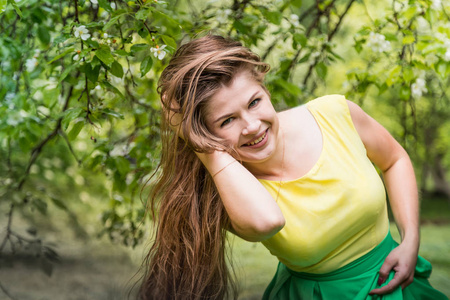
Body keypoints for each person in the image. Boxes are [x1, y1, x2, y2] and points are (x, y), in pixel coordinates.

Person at [138, 35, 448, 300]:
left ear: (265, 88)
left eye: (254, 102)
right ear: (205, 133)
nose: (251, 126)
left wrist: (410, 240)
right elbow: (266, 222)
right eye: (226, 120)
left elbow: (394, 159)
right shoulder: (227, 187)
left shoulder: (333, 114)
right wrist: (199, 145)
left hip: (395, 280)